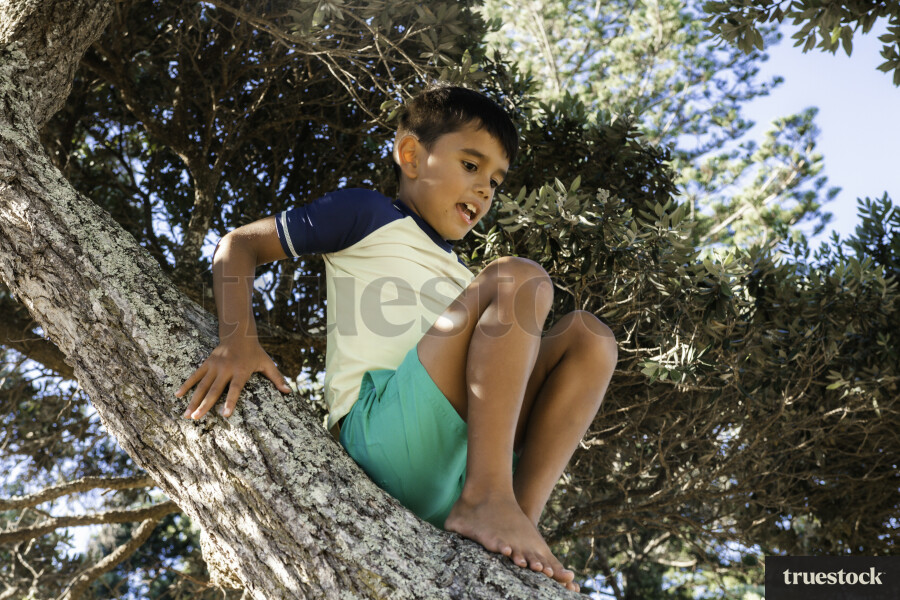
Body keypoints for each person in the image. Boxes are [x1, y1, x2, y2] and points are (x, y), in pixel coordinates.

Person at [176, 85, 617, 591]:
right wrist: (237, 340)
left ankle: (517, 514)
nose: (484, 191)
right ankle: (489, 499)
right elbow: (239, 245)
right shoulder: (369, 215)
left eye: (495, 181)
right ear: (410, 155)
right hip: (383, 436)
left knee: (590, 338)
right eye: (471, 166)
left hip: (457, 463)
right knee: (522, 278)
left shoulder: (462, 276)